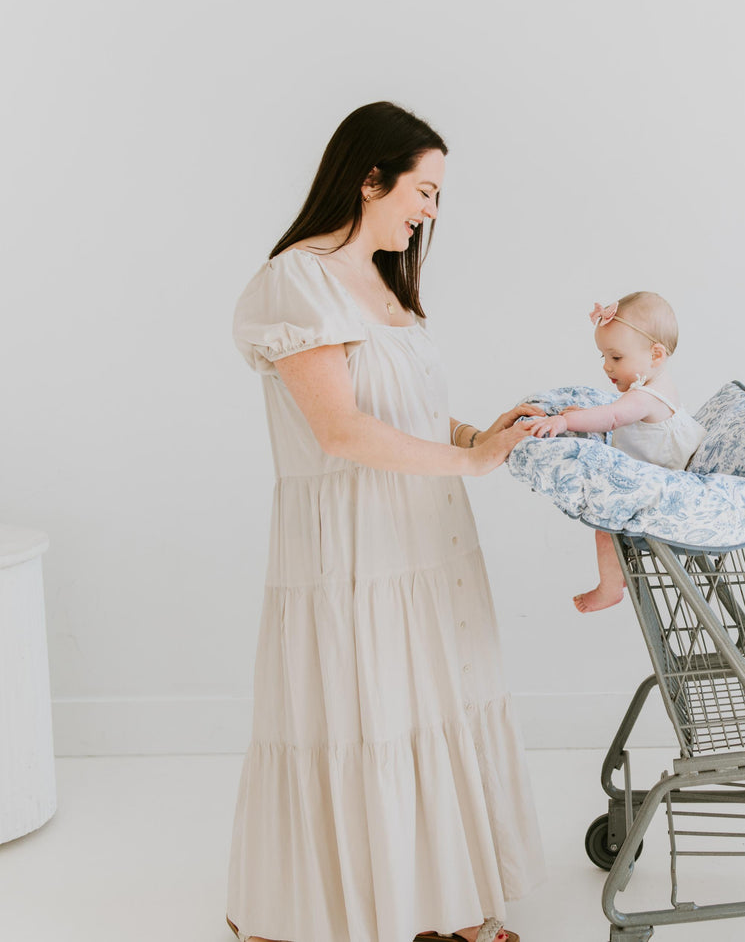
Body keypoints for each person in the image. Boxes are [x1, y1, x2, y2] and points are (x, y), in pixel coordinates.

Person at [226, 101, 545, 942]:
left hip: (423, 535)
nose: (430, 211)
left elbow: (403, 414)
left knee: (427, 705)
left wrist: (481, 435)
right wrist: (471, 463)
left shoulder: (383, 279)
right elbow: (339, 429)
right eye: (424, 189)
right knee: (367, 710)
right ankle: (347, 910)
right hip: (355, 542)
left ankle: (436, 906)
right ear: (370, 177)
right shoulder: (297, 277)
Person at [523, 292, 705, 612]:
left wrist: (565, 419)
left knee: (603, 523)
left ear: (656, 354)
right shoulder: (654, 386)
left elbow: (612, 416)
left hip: (663, 486)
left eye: (616, 358)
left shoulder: (647, 396)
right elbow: (619, 419)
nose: (607, 366)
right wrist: (582, 416)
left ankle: (611, 587)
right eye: (603, 357)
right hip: (663, 474)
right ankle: (616, 577)